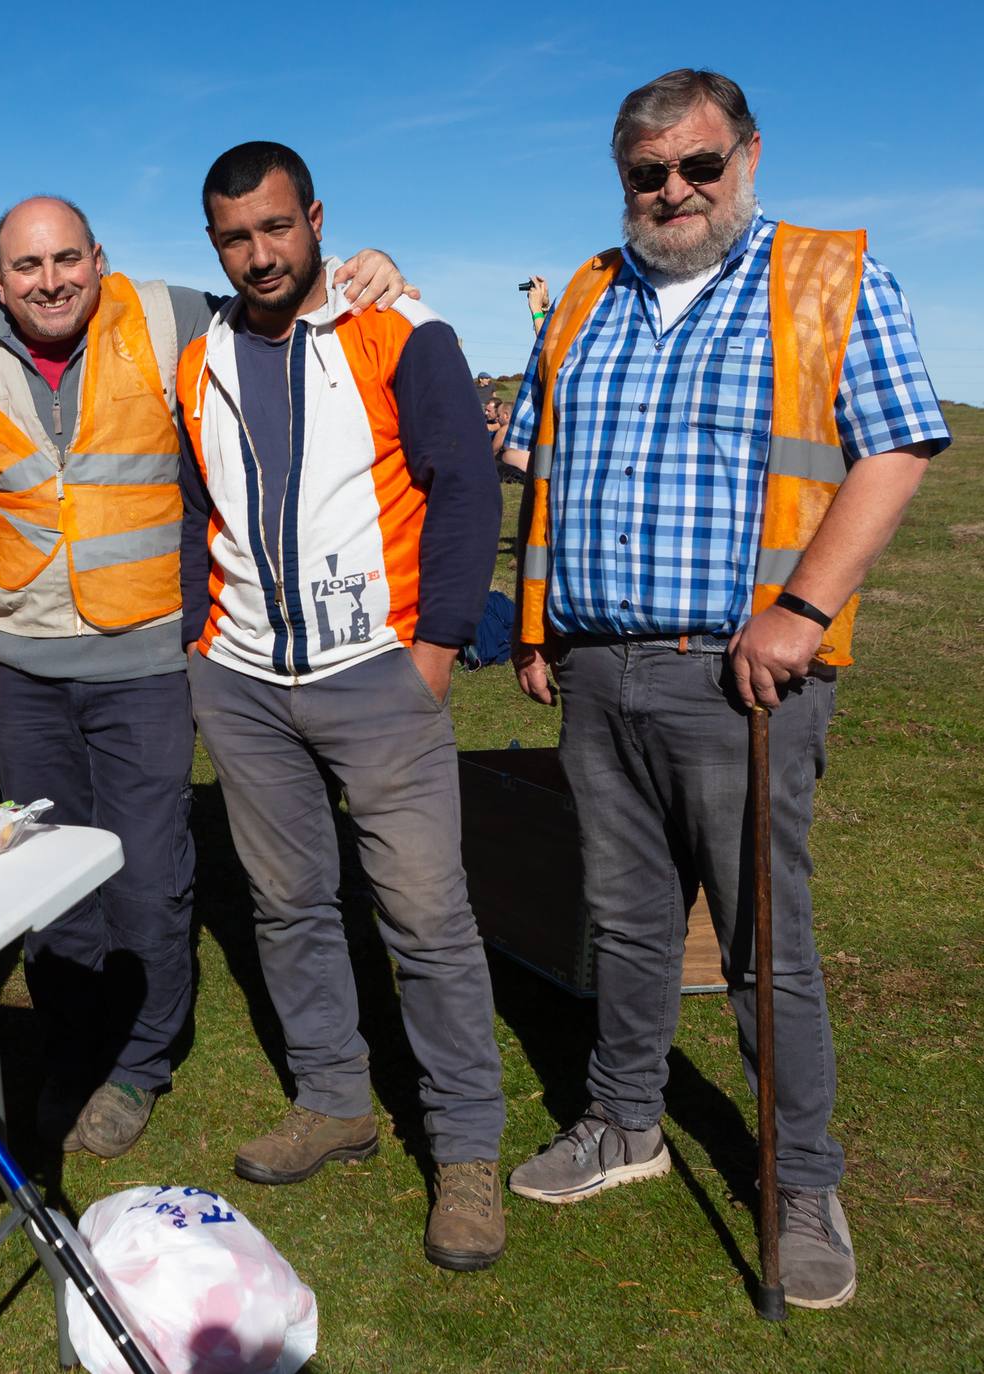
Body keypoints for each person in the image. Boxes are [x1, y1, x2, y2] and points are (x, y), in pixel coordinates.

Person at [502, 69, 949, 1309]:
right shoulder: (586, 292)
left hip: (742, 677)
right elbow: (536, 466)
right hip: (596, 670)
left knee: (765, 946)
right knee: (630, 923)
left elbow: (899, 443)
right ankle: (625, 1124)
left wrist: (802, 613)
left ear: (747, 154)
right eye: (648, 174)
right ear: (623, 179)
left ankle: (800, 1178)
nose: (675, 192)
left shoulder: (826, 278)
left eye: (699, 165)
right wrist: (541, 629)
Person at [0, 195, 412, 1160]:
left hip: (147, 657)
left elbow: (281, 294)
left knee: (149, 872)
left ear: (98, 257)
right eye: (26, 267)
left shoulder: (168, 314)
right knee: (54, 873)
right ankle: (78, 1047)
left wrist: (375, 276)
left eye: (68, 258)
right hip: (22, 664)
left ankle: (143, 1059)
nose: (50, 280)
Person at [178, 142, 507, 1272]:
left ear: (315, 217)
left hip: (380, 671)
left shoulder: (400, 329)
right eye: (236, 237)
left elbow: (466, 487)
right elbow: (193, 509)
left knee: (425, 917)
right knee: (287, 903)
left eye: (277, 227)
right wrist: (195, 644)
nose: (261, 254)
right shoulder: (202, 353)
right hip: (243, 676)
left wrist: (436, 652)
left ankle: (464, 1150)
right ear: (212, 243)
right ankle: (334, 1098)